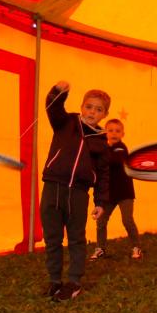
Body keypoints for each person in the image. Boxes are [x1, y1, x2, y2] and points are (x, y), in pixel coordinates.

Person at [40, 81, 109, 301]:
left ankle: (74, 282)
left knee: (76, 239)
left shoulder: (101, 141)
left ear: (105, 114)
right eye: (89, 107)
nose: (92, 112)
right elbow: (52, 107)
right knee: (52, 238)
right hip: (53, 188)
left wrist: (100, 202)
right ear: (81, 107)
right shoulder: (66, 122)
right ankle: (54, 281)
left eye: (98, 109)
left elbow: (103, 175)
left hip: (79, 194)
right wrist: (58, 92)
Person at [90, 118, 142, 261]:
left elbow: (115, 160)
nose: (114, 133)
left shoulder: (120, 148)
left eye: (117, 131)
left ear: (122, 134)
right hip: (110, 194)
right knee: (101, 221)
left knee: (127, 220)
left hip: (125, 193)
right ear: (105, 132)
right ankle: (100, 248)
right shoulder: (104, 149)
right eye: (110, 130)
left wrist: (100, 154)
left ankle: (136, 247)